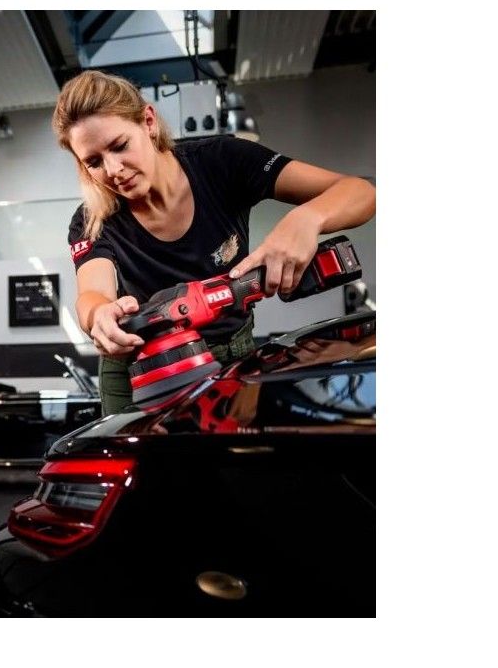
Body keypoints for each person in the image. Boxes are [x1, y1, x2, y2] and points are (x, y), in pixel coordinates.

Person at [53, 69, 376, 415]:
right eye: (94, 162)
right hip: (143, 368)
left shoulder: (222, 160)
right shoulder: (92, 218)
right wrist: (100, 314)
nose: (113, 170)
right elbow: (93, 294)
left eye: (120, 146)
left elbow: (361, 192)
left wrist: (306, 219)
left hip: (233, 351)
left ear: (148, 122)